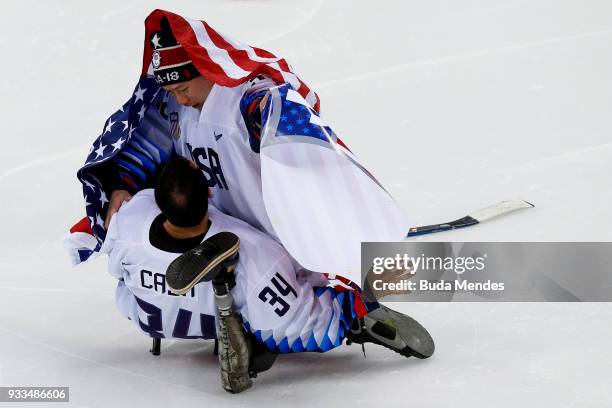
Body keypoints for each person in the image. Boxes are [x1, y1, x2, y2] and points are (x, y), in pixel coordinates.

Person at [67, 8, 409, 278]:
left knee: (373, 272)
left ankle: (413, 286)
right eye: (172, 92)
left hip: (283, 235)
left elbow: (275, 97)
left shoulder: (242, 98)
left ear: (206, 69)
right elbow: (141, 143)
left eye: (184, 89)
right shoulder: (174, 106)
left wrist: (270, 112)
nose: (181, 100)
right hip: (231, 241)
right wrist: (120, 185)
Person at [101, 157, 434, 392]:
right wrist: (363, 296)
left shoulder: (130, 216)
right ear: (210, 193)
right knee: (294, 285)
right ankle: (238, 317)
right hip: (218, 315)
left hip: (150, 320)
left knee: (137, 276)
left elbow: (116, 270)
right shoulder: (253, 249)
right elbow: (299, 327)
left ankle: (217, 297)